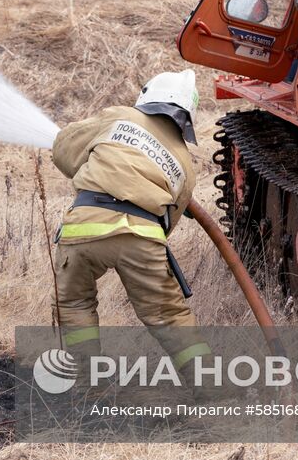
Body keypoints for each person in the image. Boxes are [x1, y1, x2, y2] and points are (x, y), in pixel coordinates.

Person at [50, 70, 209, 373]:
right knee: (169, 316)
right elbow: (169, 222)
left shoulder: (119, 117)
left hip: (84, 226)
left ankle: (85, 387)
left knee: (74, 304)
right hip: (143, 236)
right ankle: (212, 387)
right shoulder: (186, 163)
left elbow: (64, 151)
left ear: (147, 97)